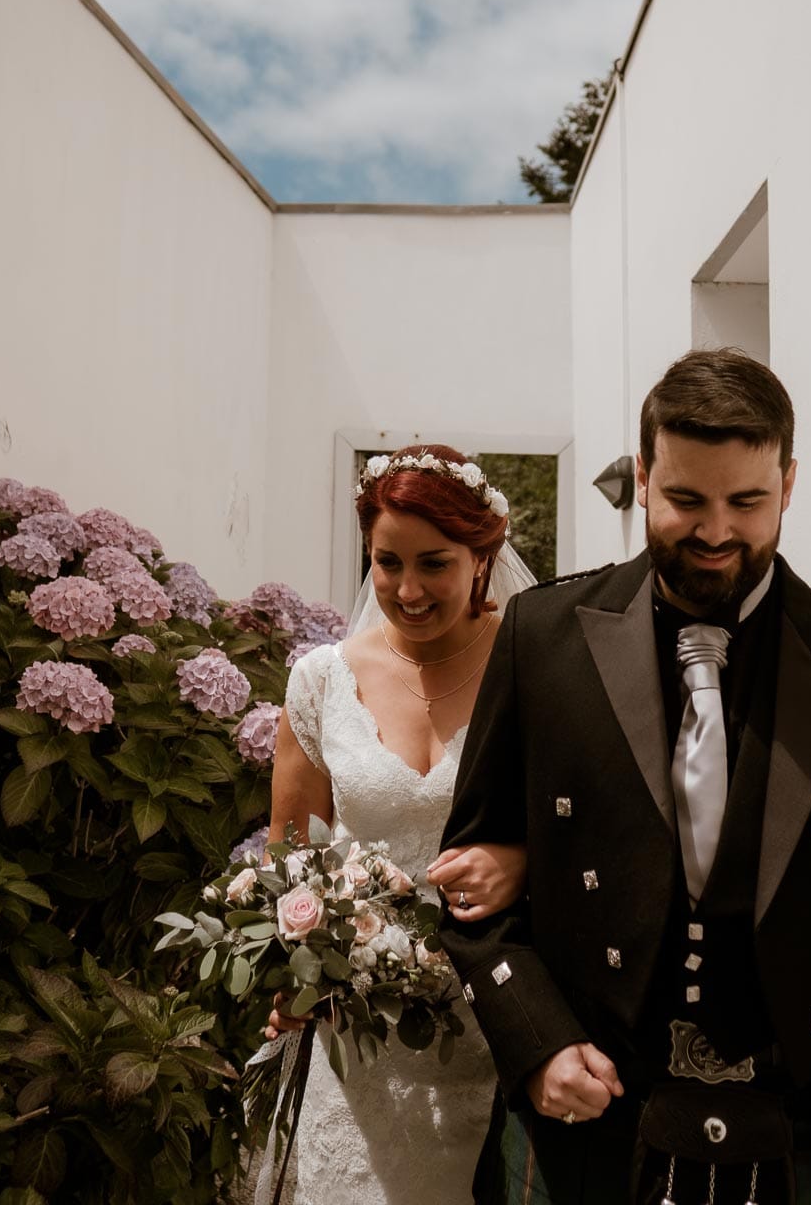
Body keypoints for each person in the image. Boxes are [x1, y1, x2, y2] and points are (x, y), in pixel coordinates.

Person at [440, 350, 811, 1204]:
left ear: (788, 486)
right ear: (643, 478)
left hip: (805, 1137)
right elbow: (471, 894)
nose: (716, 531)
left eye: (747, 502)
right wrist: (535, 1043)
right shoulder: (544, 636)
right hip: (589, 1135)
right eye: (687, 499)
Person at [262, 443, 538, 1204]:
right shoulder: (321, 680)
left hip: (499, 1021)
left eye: (434, 564)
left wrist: (521, 861)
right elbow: (290, 858)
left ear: (483, 556)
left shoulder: (537, 666)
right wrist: (291, 970)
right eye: (388, 563)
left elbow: (589, 828)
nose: (407, 589)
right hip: (361, 1037)